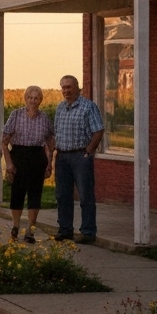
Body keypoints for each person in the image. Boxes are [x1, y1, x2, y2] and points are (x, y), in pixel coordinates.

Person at [53, 74, 105, 243]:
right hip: (62, 157)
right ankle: (65, 230)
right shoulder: (60, 108)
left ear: (77, 88)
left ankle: (88, 232)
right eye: (63, 87)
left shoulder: (88, 107)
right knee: (62, 195)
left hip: (80, 156)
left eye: (69, 87)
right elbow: (56, 132)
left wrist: (88, 152)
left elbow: (98, 131)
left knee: (85, 195)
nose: (66, 91)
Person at [1, 86, 54, 244]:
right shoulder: (16, 114)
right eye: (30, 97)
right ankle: (15, 227)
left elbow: (50, 142)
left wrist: (49, 163)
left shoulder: (44, 118)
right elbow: (4, 142)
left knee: (35, 194)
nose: (33, 100)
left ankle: (31, 230)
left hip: (37, 156)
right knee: (17, 192)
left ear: (40, 100)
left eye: (36, 98)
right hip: (19, 155)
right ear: (25, 99)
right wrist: (9, 163)